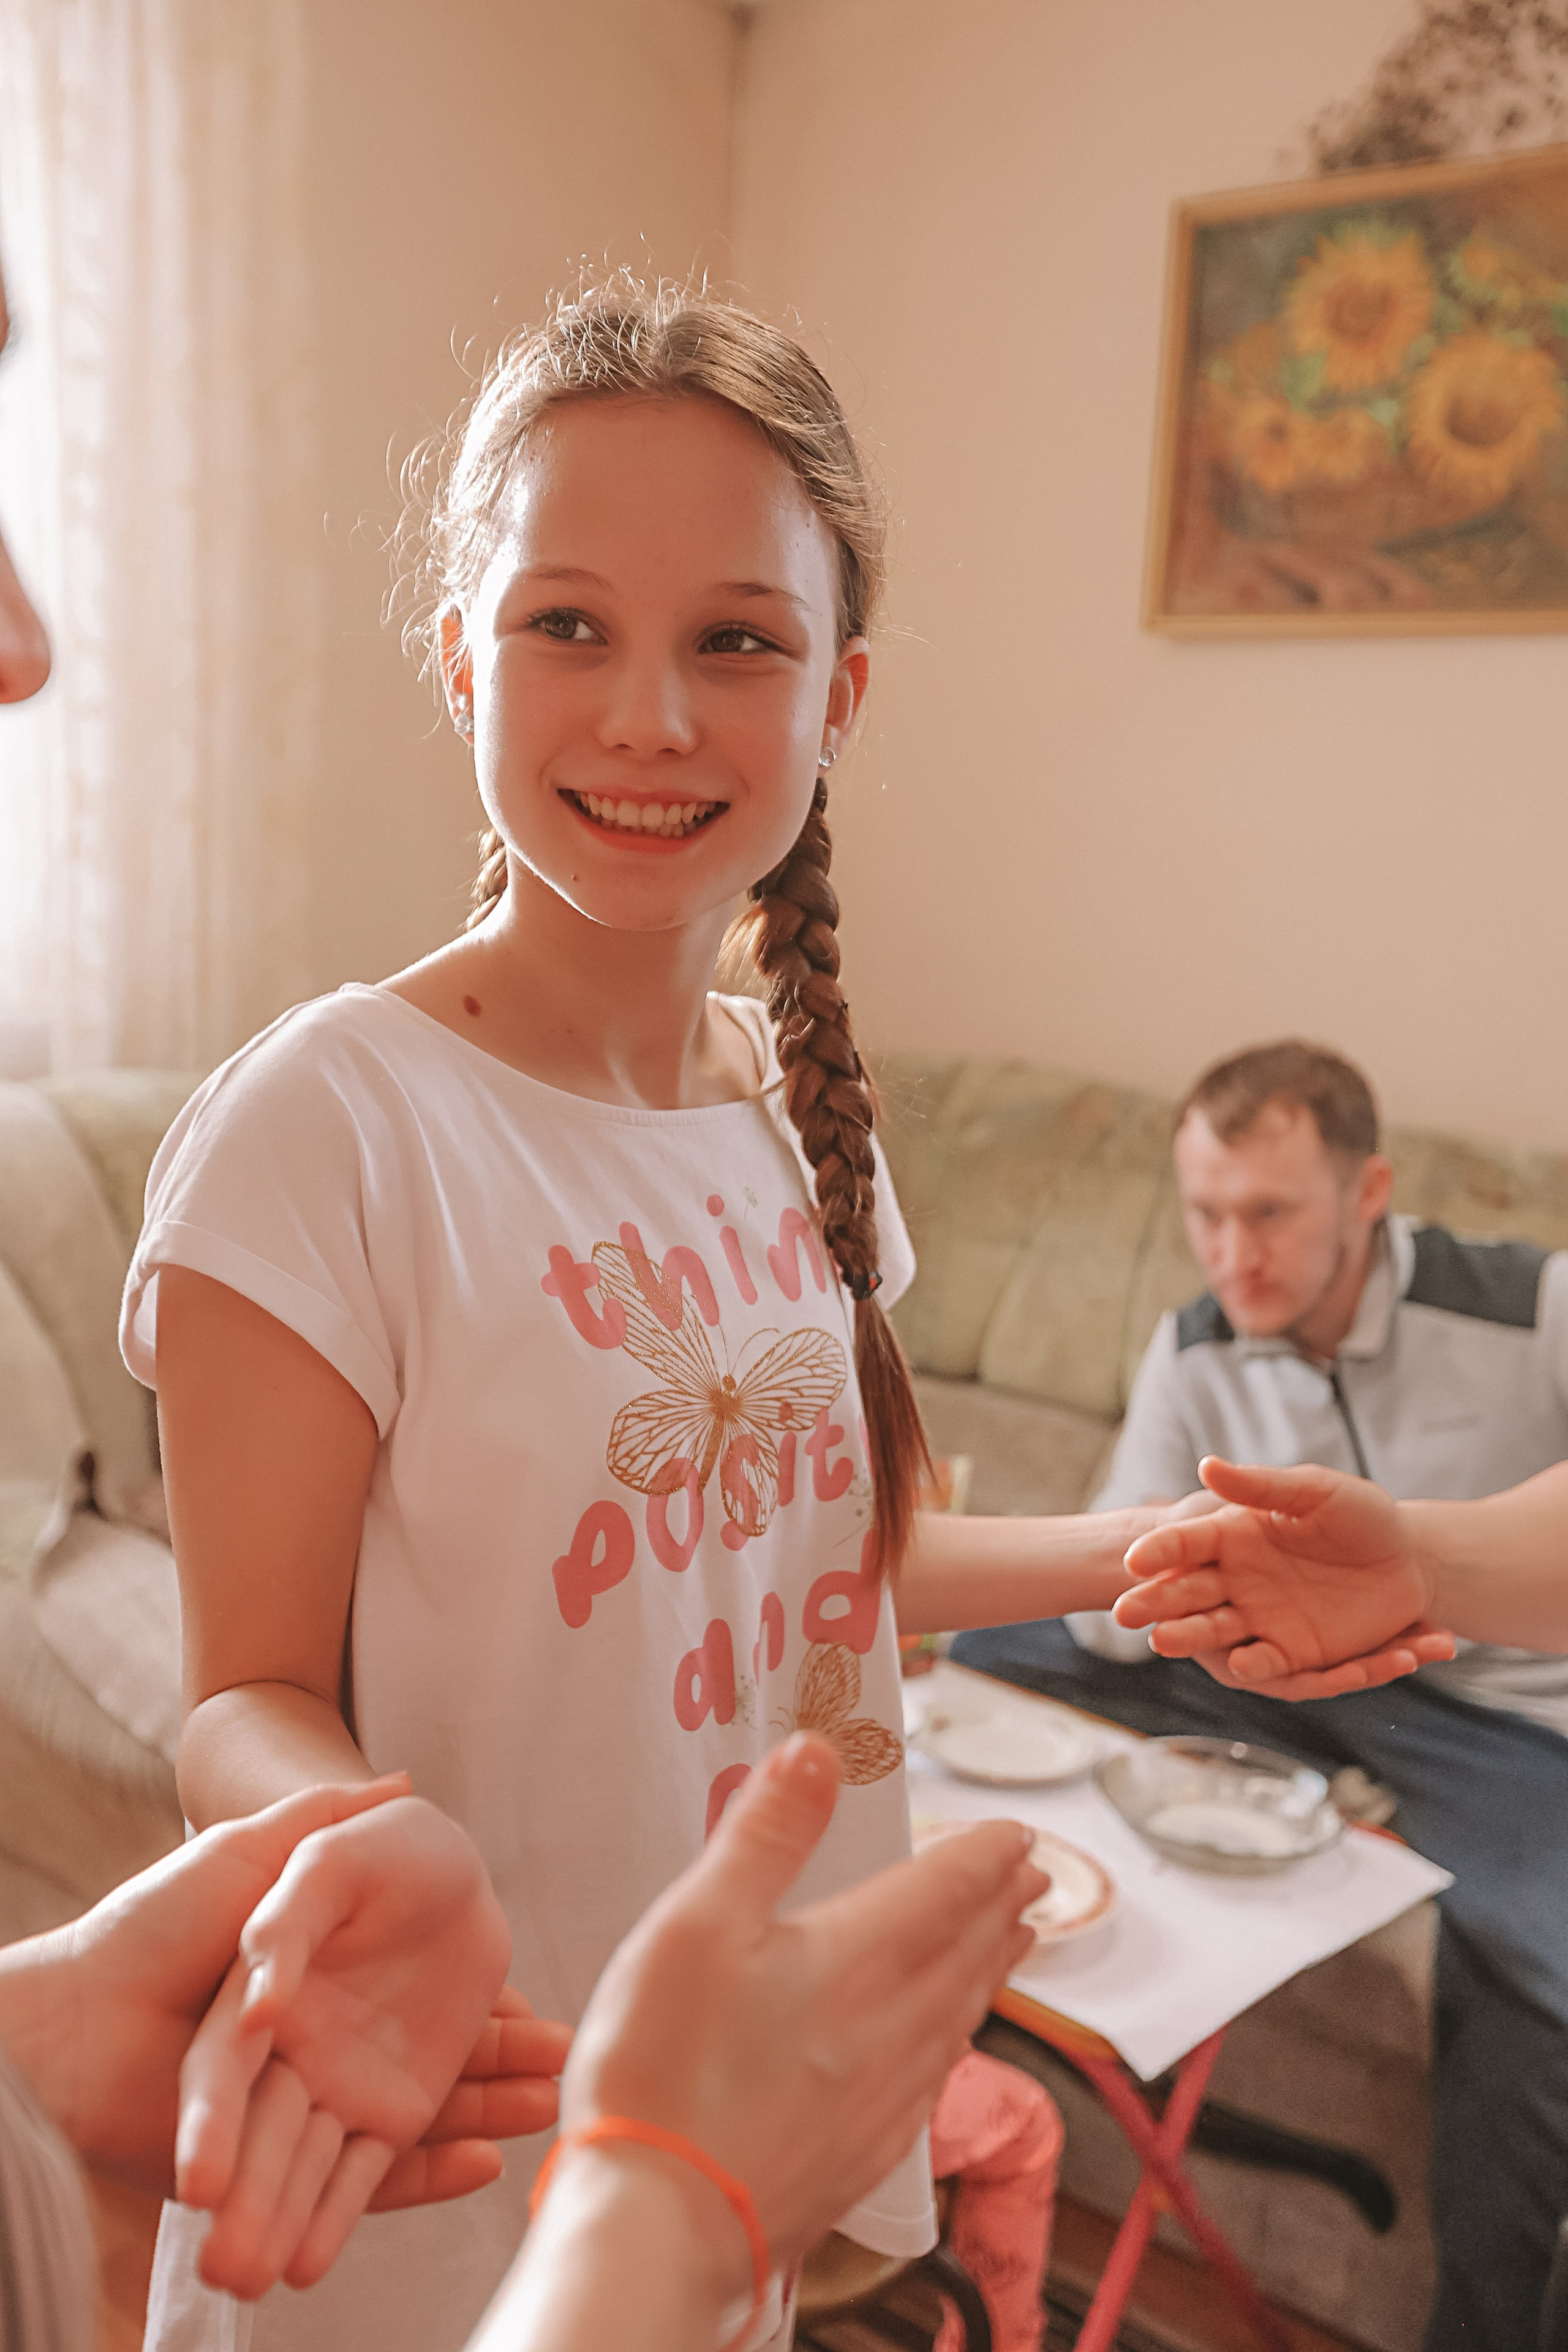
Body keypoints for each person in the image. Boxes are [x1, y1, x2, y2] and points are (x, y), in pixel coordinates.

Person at [121, 275, 1195, 2352]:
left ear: (840, 698)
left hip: (724, 2117)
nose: (649, 715)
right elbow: (234, 1696)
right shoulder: (325, 1127)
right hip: (434, 2128)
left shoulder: (798, 1104)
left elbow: (825, 1567)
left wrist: (1174, 1560)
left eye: (738, 641)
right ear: (460, 661)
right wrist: (371, 1852)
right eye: (565, 626)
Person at [952, 1038, 1568, 2352]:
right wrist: (1178, 1556)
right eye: (1206, 1216)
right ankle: (954, 2106)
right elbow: (1096, 1618)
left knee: (1533, 1981)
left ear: (1366, 1193)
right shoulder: (1196, 1350)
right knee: (977, 1656)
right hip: (1274, 1681)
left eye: (1270, 1213)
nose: (1233, 1255)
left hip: (1500, 1724)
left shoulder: (1533, 1307)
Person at [1115, 1451, 1568, 1691]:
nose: (1244, 1268)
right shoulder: (1187, 1341)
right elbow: (1106, 1635)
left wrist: (1419, 1562)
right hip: (1283, 1663)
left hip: (1488, 1704)